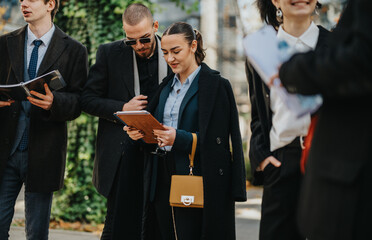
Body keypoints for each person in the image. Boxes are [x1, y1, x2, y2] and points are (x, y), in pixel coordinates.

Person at [123, 22, 246, 240]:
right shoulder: (165, 86)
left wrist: (178, 138)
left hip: (198, 177)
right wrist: (140, 135)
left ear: (193, 46)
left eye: (176, 51)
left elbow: (219, 141)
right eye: (165, 53)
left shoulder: (216, 85)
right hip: (161, 177)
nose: (170, 58)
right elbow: (158, 132)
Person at [277, 0, 372, 239]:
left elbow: (363, 59)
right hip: (283, 163)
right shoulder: (262, 45)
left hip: (348, 170)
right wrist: (262, 157)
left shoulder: (327, 43)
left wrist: (295, 70)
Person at [0, 0, 88, 239]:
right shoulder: (5, 43)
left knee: (37, 233)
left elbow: (80, 101)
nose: (23, 4)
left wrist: (55, 103)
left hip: (44, 152)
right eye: (21, 0)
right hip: (6, 150)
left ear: (50, 4)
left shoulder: (74, 50)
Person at [80, 3, 169, 239]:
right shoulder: (109, 53)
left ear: (155, 26)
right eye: (131, 41)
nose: (138, 46)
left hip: (164, 154)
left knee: (158, 227)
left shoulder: (173, 51)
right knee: (116, 228)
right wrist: (122, 109)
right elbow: (87, 100)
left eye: (145, 39)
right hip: (123, 156)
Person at [246, 0, 329, 239]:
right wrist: (262, 158)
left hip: (325, 161)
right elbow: (258, 115)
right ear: (275, 1)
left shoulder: (335, 46)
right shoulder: (260, 51)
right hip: (281, 163)